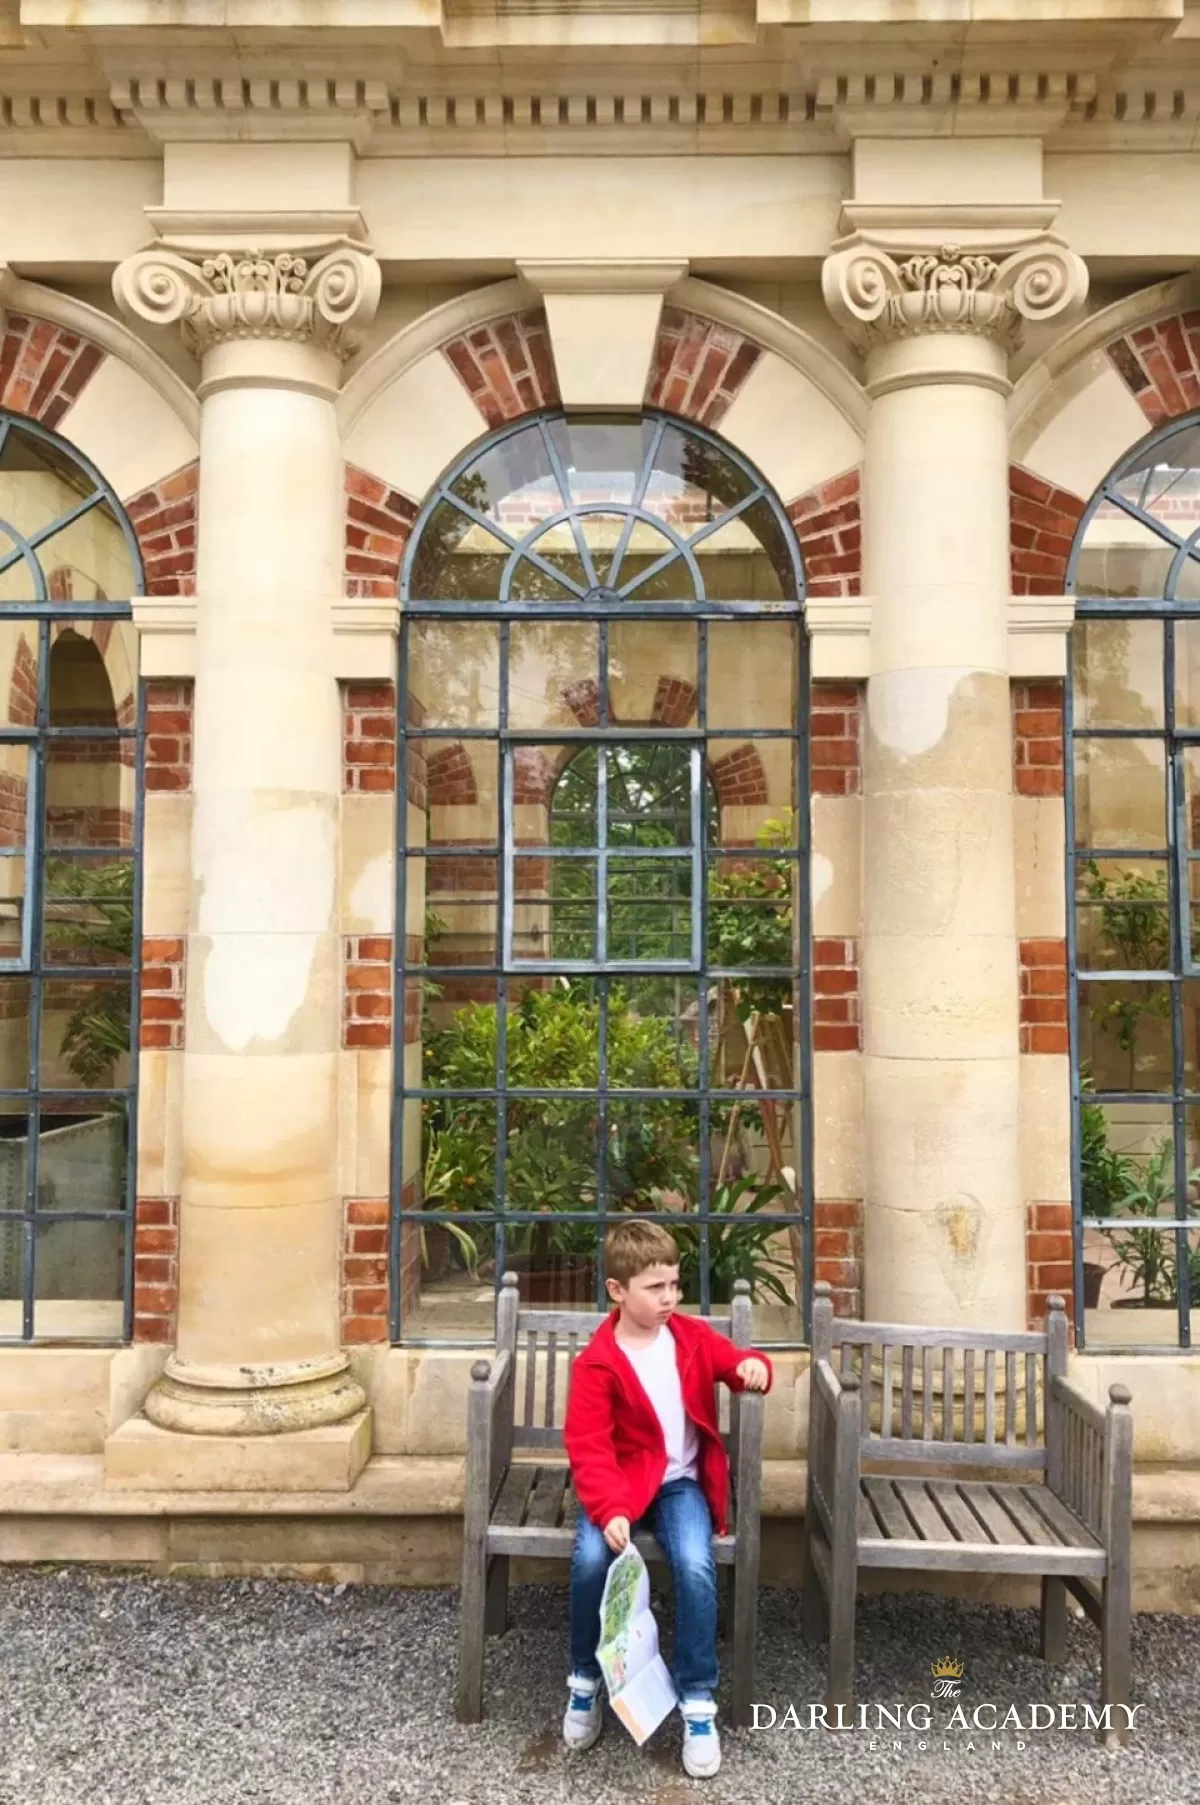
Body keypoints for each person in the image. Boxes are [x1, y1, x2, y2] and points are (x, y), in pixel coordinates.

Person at [561, 1219, 773, 1779]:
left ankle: (697, 1700)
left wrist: (752, 1367)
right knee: (589, 1560)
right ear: (617, 1290)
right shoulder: (598, 1362)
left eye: (674, 1285)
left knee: (696, 1565)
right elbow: (589, 1445)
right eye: (655, 1287)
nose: (669, 1298)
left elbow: (735, 1362)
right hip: (620, 1487)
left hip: (680, 1485)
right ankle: (585, 1679)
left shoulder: (690, 1337)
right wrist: (610, 1510)